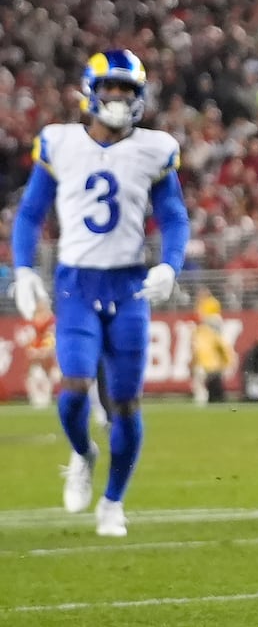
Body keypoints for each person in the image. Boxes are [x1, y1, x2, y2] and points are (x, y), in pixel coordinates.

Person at [8, 50, 190, 537]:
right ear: (91, 90)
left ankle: (113, 502)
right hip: (76, 283)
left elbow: (173, 216)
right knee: (73, 390)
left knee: (126, 403)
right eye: (111, 88)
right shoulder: (60, 142)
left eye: (128, 90)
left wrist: (171, 266)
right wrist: (22, 270)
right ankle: (84, 453)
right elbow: (29, 214)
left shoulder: (154, 148)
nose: (118, 97)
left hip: (128, 284)